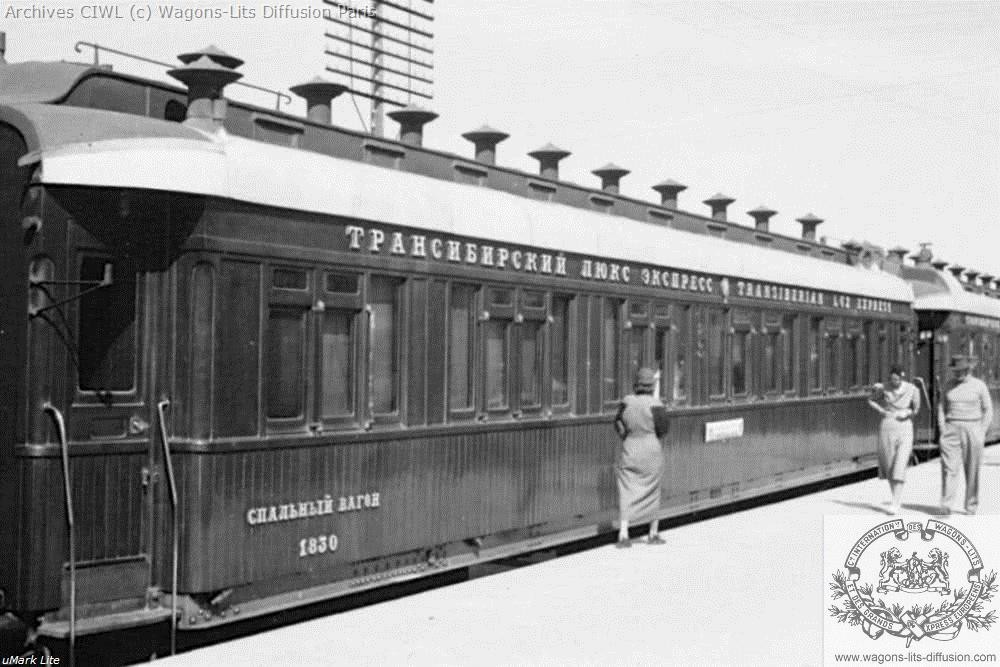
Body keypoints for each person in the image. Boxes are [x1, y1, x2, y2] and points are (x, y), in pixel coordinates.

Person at [614, 367, 667, 547]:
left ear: (636, 384)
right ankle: (652, 534)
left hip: (631, 448)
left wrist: (626, 436)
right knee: (653, 490)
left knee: (627, 490)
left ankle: (623, 534)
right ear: (652, 386)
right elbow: (663, 429)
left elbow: (617, 422)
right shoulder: (657, 405)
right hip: (651, 450)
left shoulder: (626, 402)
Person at [938, 355, 993, 515]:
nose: (958, 374)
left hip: (973, 427)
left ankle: (971, 505)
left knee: (972, 468)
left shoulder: (979, 386)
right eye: (955, 371)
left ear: (968, 370)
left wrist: (982, 430)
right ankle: (946, 505)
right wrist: (943, 429)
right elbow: (941, 407)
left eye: (961, 371)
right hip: (951, 428)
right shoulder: (948, 385)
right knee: (949, 468)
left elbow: (988, 409)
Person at [866, 363, 920, 514]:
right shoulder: (884, 387)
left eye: (897, 380)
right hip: (887, 427)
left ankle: (895, 503)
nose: (894, 383)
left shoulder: (913, 389)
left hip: (905, 429)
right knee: (889, 466)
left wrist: (908, 412)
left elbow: (916, 409)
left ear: (902, 378)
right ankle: (896, 499)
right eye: (892, 380)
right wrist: (882, 411)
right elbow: (870, 400)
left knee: (899, 465)